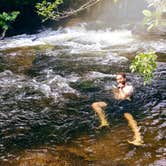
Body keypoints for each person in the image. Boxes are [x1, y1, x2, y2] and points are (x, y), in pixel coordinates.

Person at [91, 72, 144, 146]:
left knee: (129, 118)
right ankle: (104, 122)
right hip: (116, 103)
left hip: (126, 103)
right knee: (95, 105)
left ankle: (138, 138)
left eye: (120, 79)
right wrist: (116, 90)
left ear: (124, 79)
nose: (118, 81)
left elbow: (123, 97)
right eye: (117, 79)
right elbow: (116, 98)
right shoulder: (116, 87)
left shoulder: (129, 87)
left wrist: (120, 88)